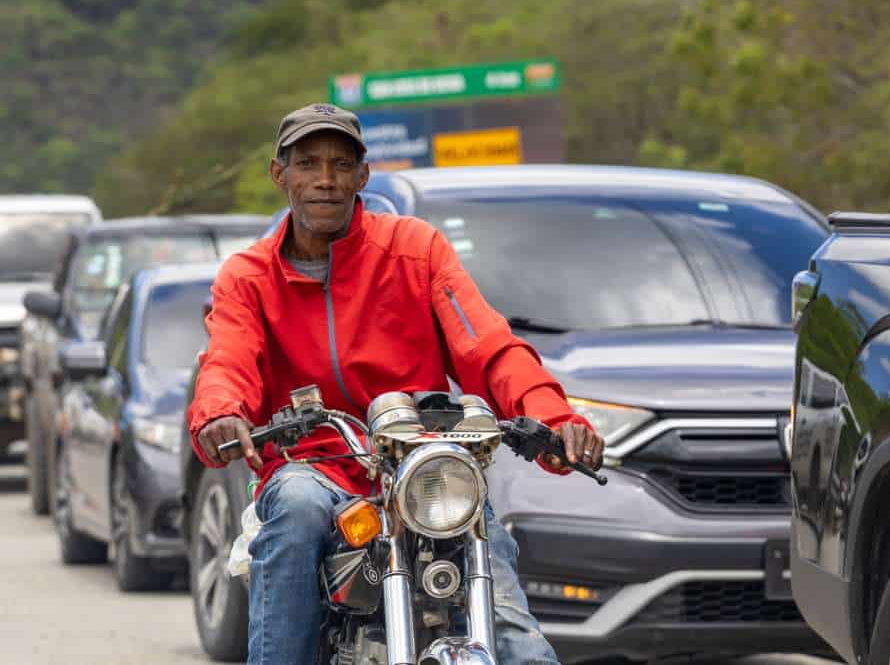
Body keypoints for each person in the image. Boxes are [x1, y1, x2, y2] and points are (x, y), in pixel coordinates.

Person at [186, 103, 605, 665]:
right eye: (308, 163)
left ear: (363, 175)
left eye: (341, 164)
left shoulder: (416, 249)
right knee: (295, 510)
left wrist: (554, 420)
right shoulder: (247, 277)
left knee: (512, 624)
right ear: (279, 174)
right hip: (317, 466)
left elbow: (487, 346)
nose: (326, 180)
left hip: (423, 468)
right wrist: (220, 413)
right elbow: (228, 360)